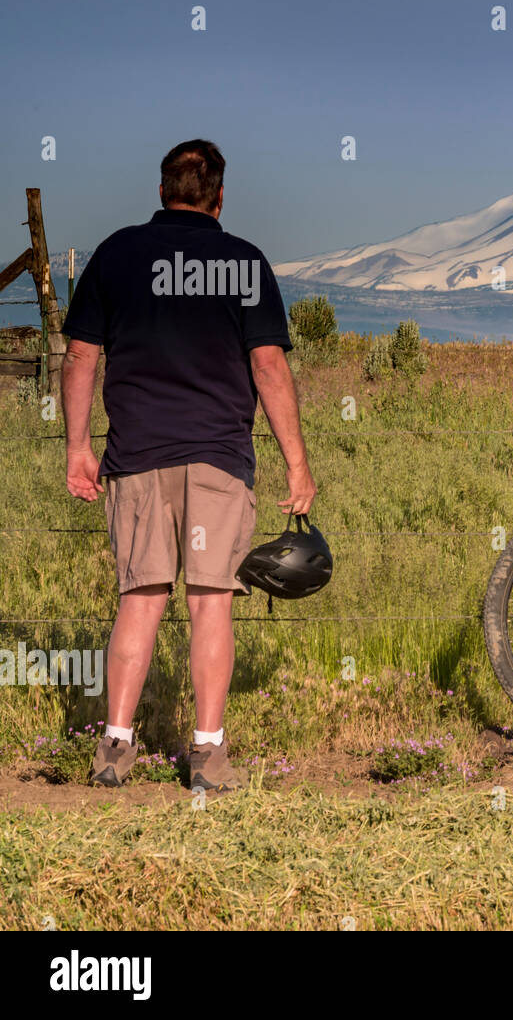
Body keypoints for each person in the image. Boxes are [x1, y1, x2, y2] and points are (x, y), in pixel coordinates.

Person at [61, 139, 316, 793]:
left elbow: (81, 357)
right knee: (211, 606)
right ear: (220, 196)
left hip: (137, 457)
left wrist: (77, 446)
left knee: (139, 601)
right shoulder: (244, 262)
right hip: (219, 461)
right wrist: (298, 464)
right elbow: (269, 367)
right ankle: (206, 754)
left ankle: (114, 747)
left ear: (161, 191)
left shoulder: (116, 254)